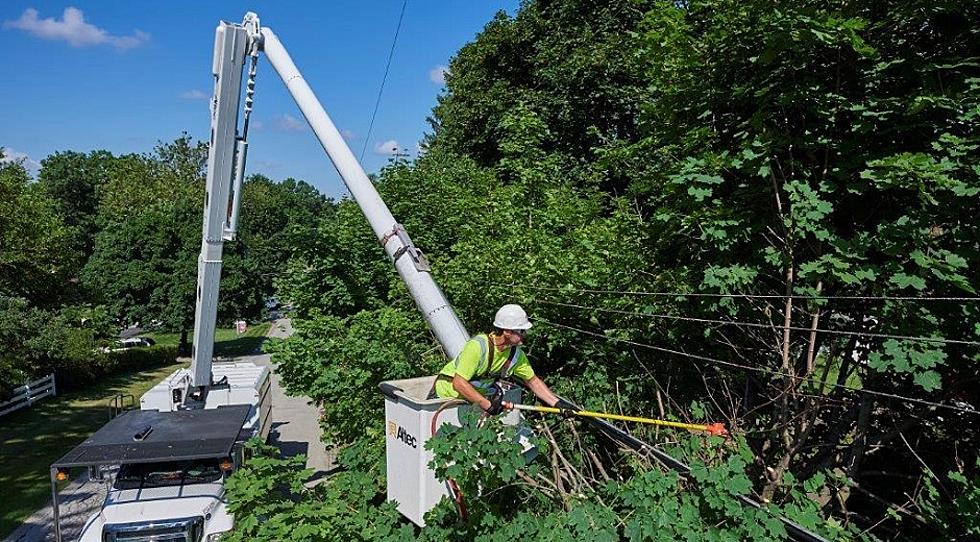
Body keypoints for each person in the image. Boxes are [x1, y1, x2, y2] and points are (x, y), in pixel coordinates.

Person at [435, 303, 564, 414]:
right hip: (447, 396)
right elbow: (459, 383)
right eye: (522, 331)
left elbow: (533, 381)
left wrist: (557, 404)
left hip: (474, 398)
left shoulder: (516, 355)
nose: (525, 335)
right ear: (507, 332)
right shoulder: (477, 347)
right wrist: (487, 405)